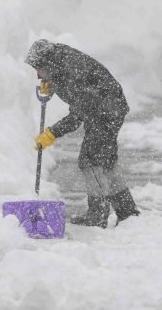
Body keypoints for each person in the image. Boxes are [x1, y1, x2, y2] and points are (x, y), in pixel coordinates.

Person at [25, 39, 139, 228]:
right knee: (106, 161)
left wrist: (52, 133)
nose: (38, 75)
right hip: (108, 107)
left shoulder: (72, 72)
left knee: (91, 161)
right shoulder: (59, 60)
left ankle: (98, 213)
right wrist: (52, 82)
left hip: (104, 111)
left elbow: (78, 114)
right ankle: (126, 210)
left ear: (47, 63)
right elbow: (74, 87)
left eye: (39, 69)